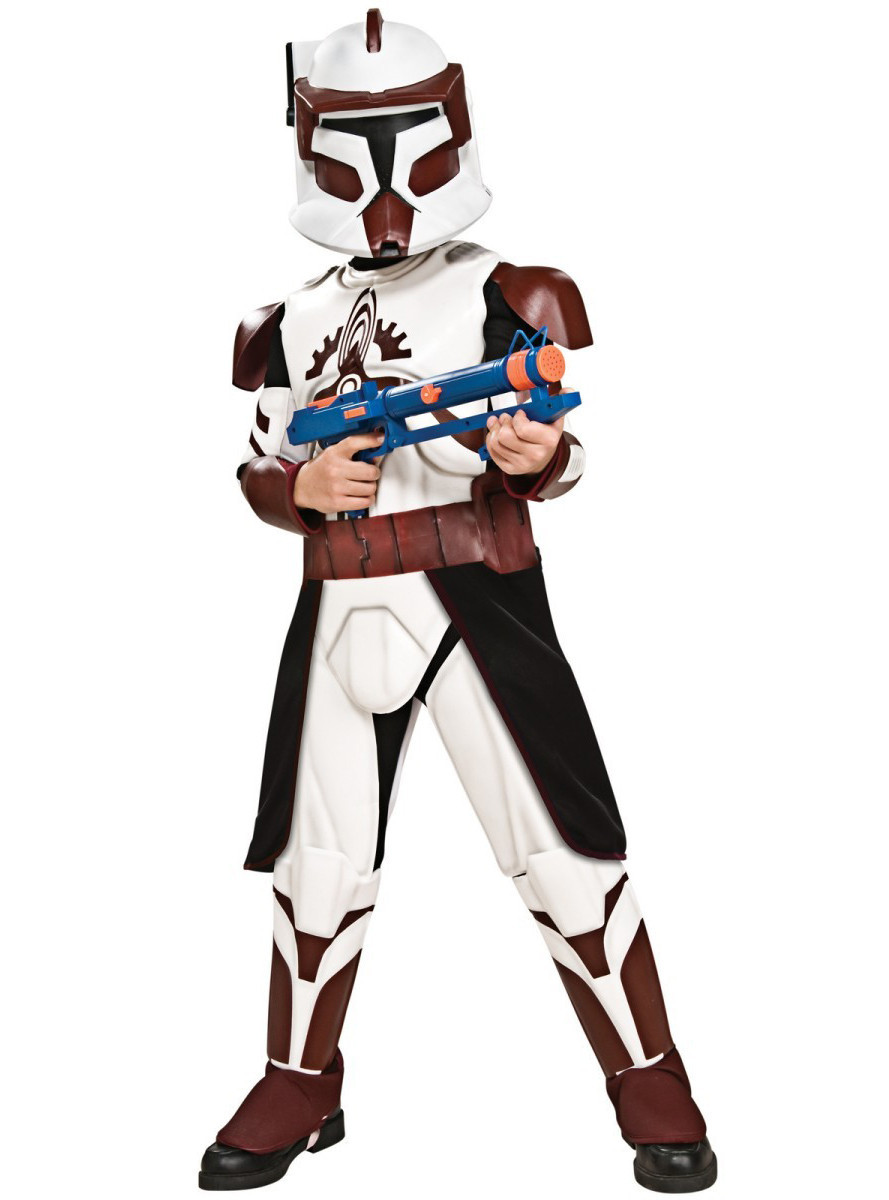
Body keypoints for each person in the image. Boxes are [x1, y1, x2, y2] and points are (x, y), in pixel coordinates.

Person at [199, 11, 716, 1193]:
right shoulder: (285, 324)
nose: (386, 192)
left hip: (474, 597)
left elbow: (557, 454)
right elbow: (259, 463)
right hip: (338, 607)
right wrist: (300, 490)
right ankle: (300, 1079)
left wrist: (535, 456)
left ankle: (647, 1075)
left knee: (559, 855)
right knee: (318, 868)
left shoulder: (507, 295)